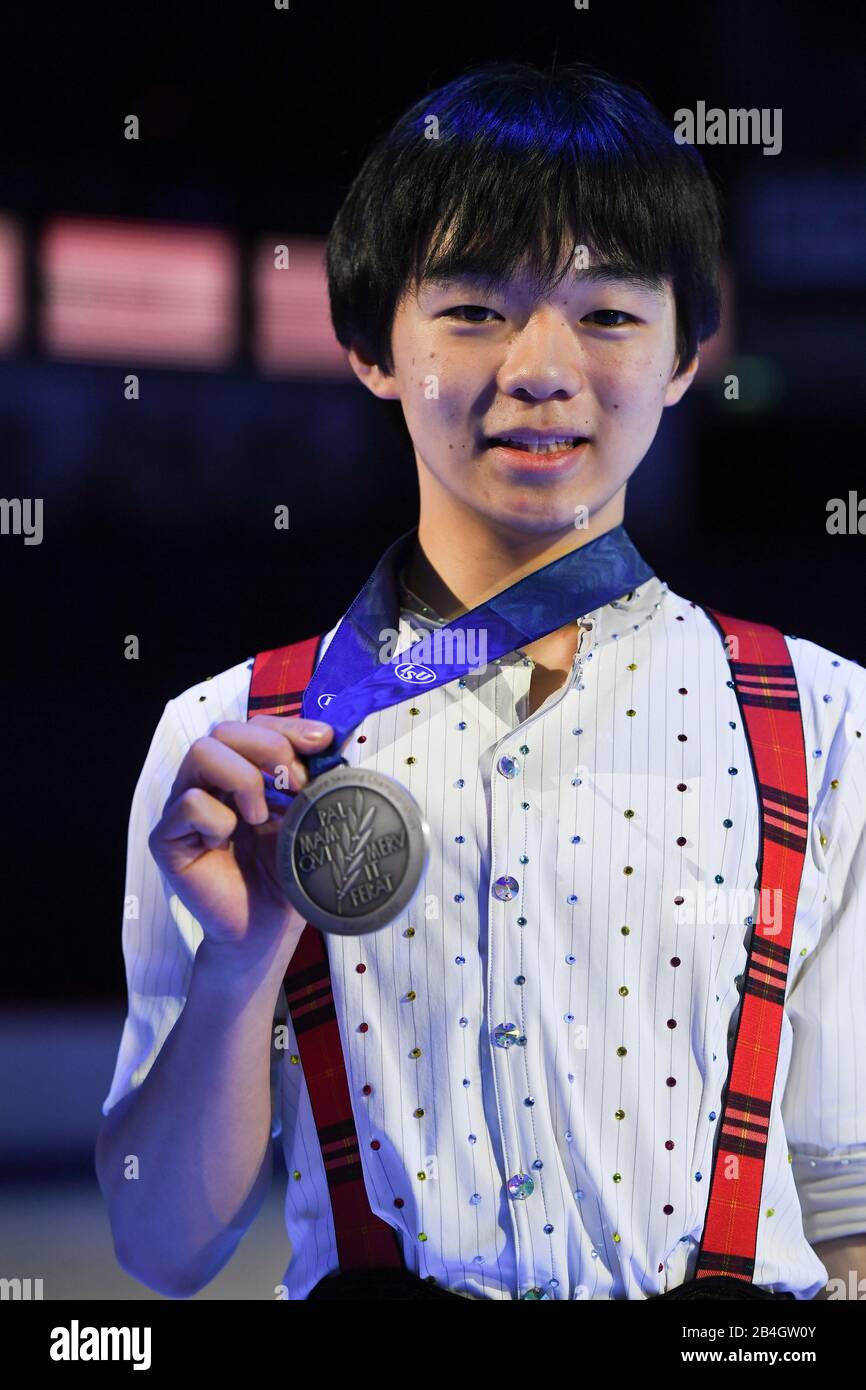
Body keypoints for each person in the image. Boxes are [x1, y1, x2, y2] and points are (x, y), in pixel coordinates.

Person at [95, 59, 866, 1301]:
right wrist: (241, 969)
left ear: (684, 354)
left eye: (607, 313)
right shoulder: (230, 741)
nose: (540, 367)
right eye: (472, 310)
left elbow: (848, 1211)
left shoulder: (823, 721)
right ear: (368, 344)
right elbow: (160, 1246)